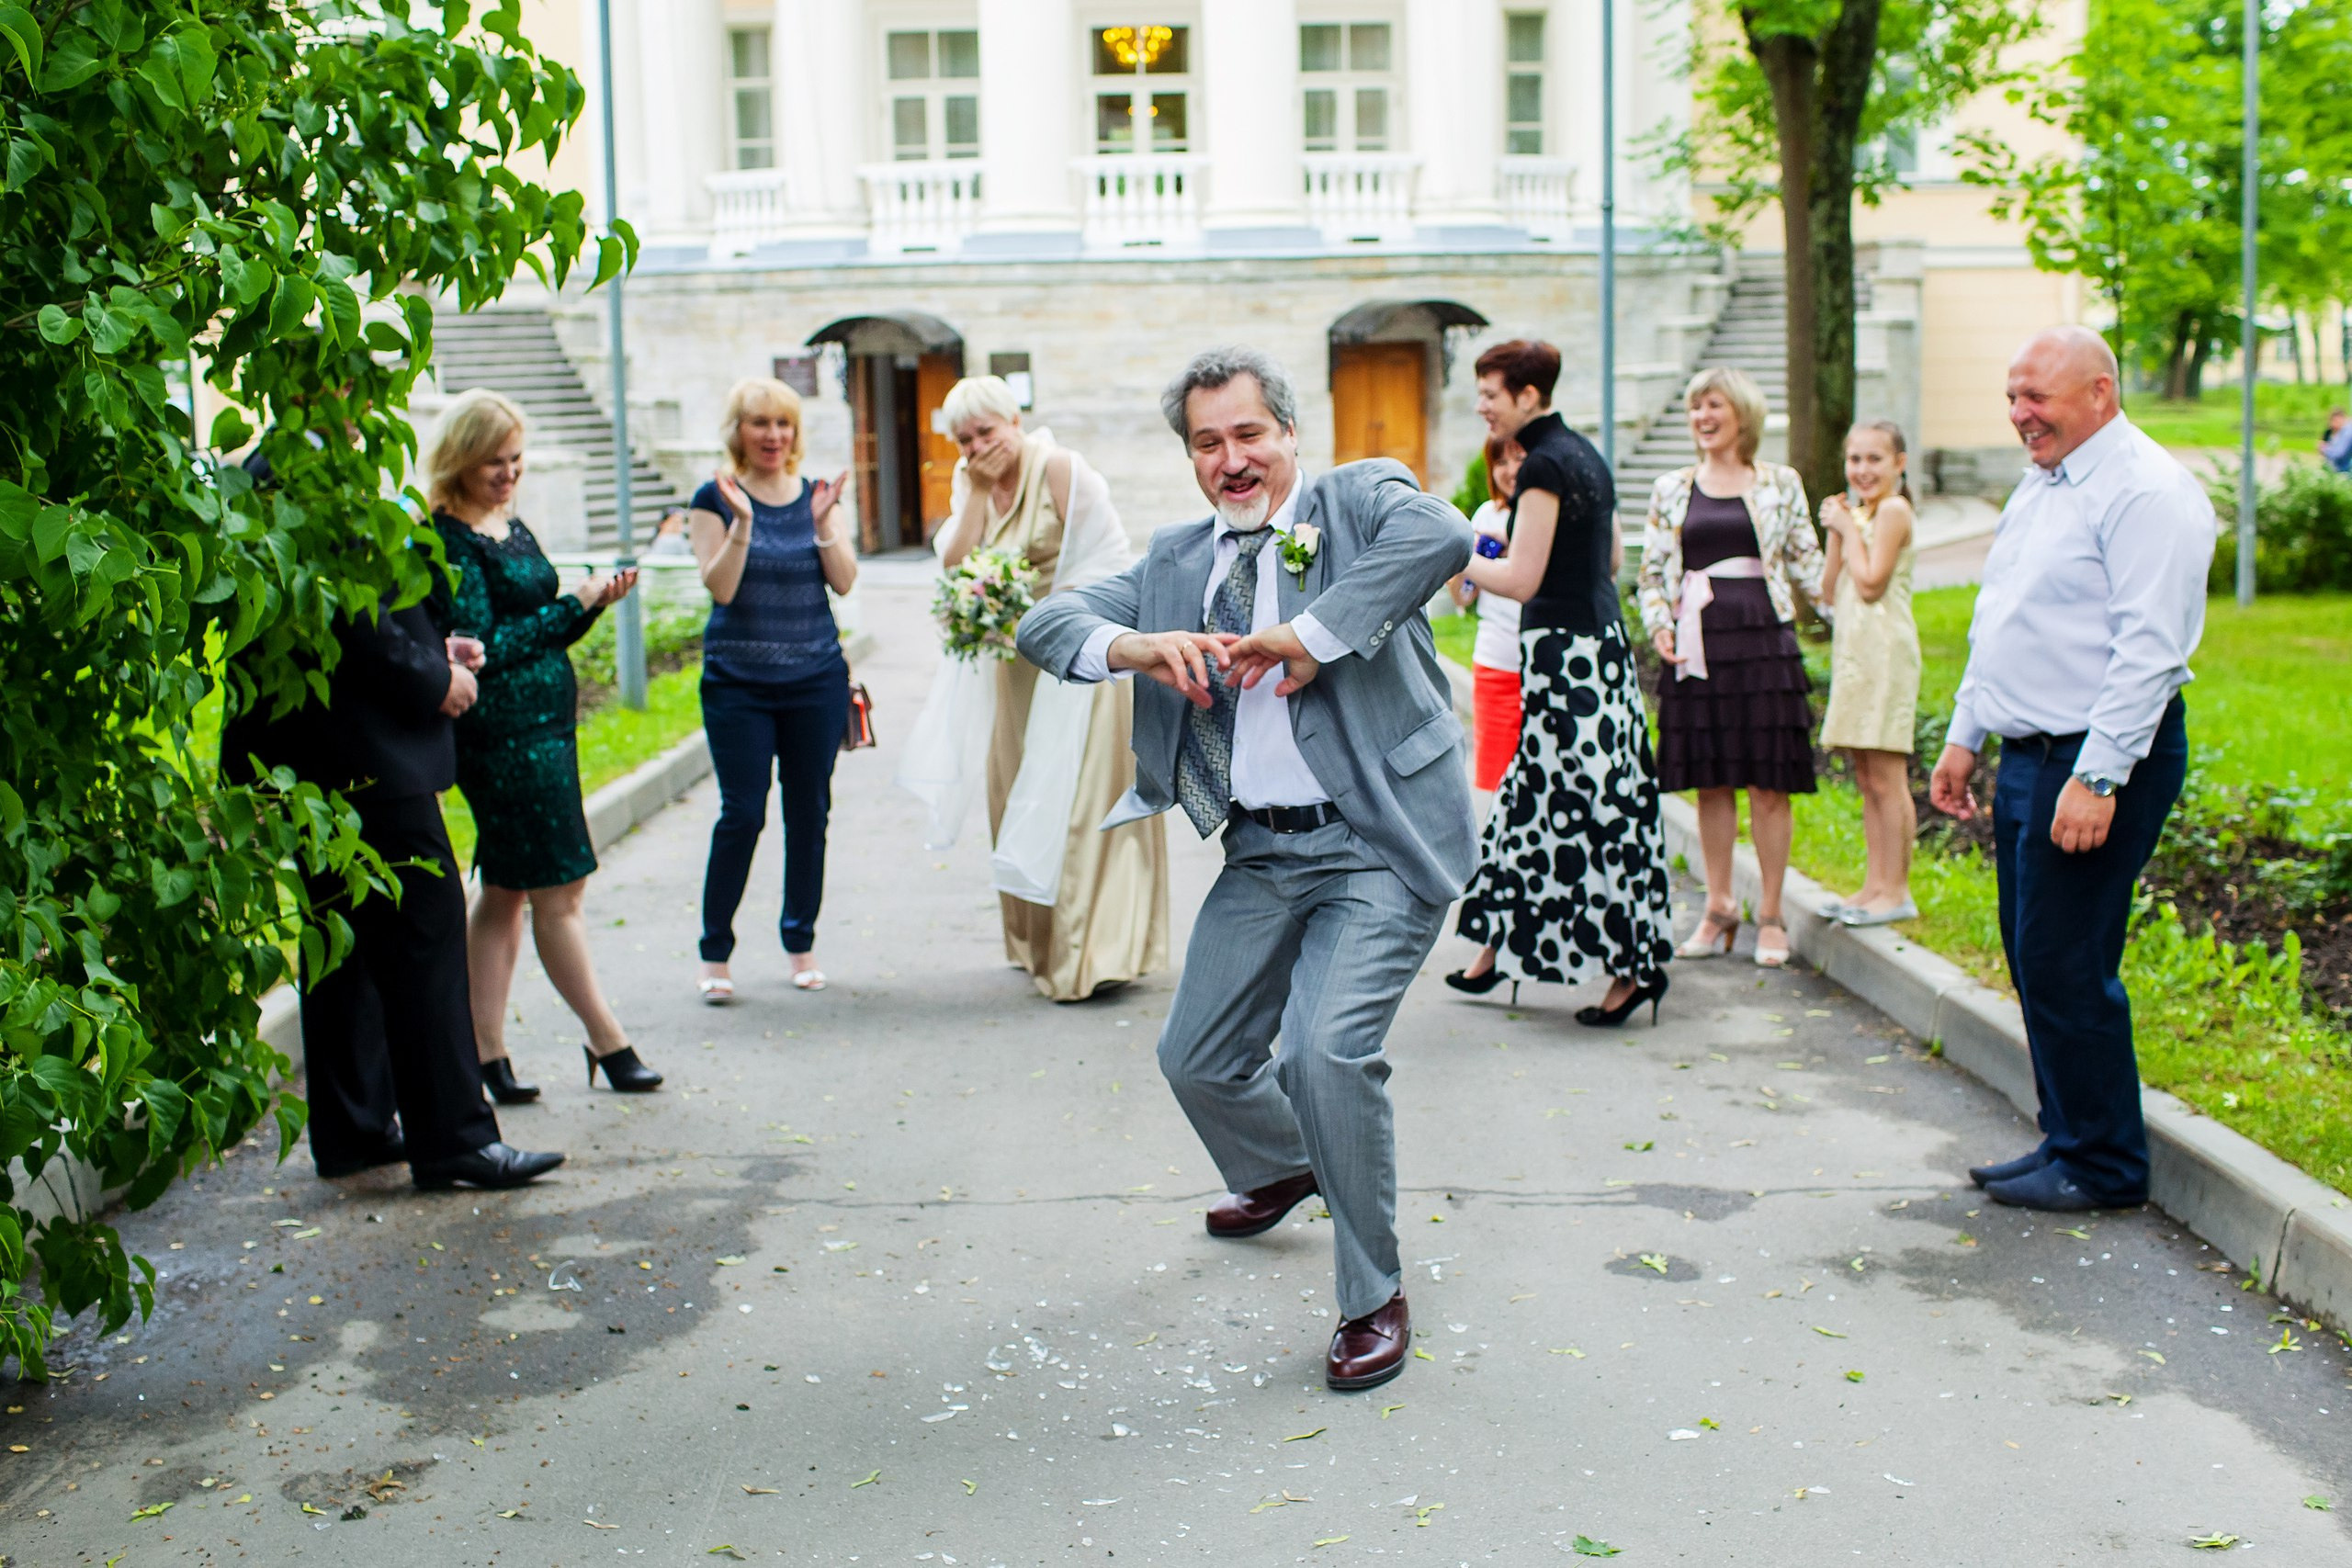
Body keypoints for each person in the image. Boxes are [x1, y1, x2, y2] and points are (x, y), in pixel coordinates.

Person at [1016, 347, 1473, 1393]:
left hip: (1375, 841)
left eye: (1248, 434)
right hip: (1261, 850)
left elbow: (1443, 534)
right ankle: (1289, 1163)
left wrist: (1308, 636)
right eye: (1207, 442)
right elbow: (1045, 623)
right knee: (1196, 1057)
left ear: (1288, 434)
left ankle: (1373, 1295)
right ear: (1189, 456)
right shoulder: (1177, 561)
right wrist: (1134, 648)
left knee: (1322, 1056)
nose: (1232, 459)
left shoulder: (1356, 502)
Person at [220, 457, 564, 1190]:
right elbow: (351, 618)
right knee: (425, 932)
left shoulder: (263, 471)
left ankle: (355, 1127)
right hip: (363, 751)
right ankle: (454, 1140)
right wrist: (434, 678)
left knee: (342, 940)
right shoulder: (306, 475)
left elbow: (341, 621)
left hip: (315, 753)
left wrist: (430, 651)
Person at [1932, 326, 2212, 1213]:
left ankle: (2105, 1164)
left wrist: (2099, 778)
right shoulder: (2044, 484)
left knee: (2067, 959)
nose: (2020, 415)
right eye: (2013, 397)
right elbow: (2001, 615)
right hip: (2030, 753)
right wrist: (1964, 734)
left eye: (2038, 398)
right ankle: (2068, 1136)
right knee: (2032, 953)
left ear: (2100, 392)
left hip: (2096, 758)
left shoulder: (2147, 492)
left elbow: (2149, 652)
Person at [424, 389, 662, 1100]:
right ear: (460, 459)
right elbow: (485, 649)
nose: (508, 473)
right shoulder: (450, 537)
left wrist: (590, 608)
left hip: (549, 729)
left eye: (517, 459)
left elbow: (540, 627)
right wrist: (575, 603)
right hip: (501, 737)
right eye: (493, 461)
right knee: (559, 886)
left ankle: (487, 1053)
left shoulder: (507, 522)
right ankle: (608, 1041)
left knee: (507, 890)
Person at [1448, 340, 1673, 1025]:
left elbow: (1519, 579)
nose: (1481, 406)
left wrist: (1452, 550)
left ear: (1527, 395)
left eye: (1490, 394)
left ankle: (1634, 970)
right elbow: (1609, 558)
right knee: (1533, 802)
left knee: (1589, 808)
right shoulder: (1584, 453)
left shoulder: (1545, 465)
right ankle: (1493, 951)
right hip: (1596, 652)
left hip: (1564, 657)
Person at [930, 375, 1170, 1000]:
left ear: (1014, 418)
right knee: (1018, 791)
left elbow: (1111, 563)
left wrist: (1055, 615)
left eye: (987, 430)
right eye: (965, 439)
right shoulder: (972, 480)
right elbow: (954, 561)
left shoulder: (1062, 468)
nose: (979, 445)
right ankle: (1036, 940)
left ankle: (1091, 953)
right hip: (1011, 666)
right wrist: (978, 493)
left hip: (1081, 654)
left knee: (1082, 800)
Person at [1636, 366, 1826, 969]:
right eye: (1695, 408)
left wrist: (1857, 607)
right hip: (1698, 642)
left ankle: (1770, 914)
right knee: (1711, 781)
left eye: (1713, 406)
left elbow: (1808, 563)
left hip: (1764, 637)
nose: (1702, 418)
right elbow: (1652, 571)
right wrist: (1660, 624)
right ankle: (1719, 907)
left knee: (1769, 782)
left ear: (1742, 413)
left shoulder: (1780, 482)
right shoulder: (1671, 487)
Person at [686, 377, 857, 1000]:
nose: (773, 435)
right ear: (739, 431)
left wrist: (821, 525)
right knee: (742, 811)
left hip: (815, 678)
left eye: (782, 423)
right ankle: (715, 951)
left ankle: (800, 940)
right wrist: (744, 525)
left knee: (808, 810)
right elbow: (721, 588)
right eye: (759, 423)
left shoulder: (818, 496)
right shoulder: (715, 496)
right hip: (738, 684)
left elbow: (843, 582)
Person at [1815, 420, 1922, 927]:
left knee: (1887, 773)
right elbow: (1829, 586)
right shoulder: (1861, 516)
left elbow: (1873, 582)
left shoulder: (1896, 511)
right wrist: (1840, 529)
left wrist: (1845, 529)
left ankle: (1897, 889)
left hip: (1885, 652)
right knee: (1865, 775)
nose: (1862, 469)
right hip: (1855, 653)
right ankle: (1874, 884)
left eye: (1874, 459)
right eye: (1854, 459)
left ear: (1899, 463)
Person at [1458, 432, 1525, 801]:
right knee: (1497, 783)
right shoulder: (1485, 514)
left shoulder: (1544, 513)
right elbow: (1463, 597)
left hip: (1543, 664)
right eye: (1500, 462)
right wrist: (1462, 557)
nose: (1510, 471)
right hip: (1496, 663)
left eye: (1519, 459)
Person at [2321, 408, 2352, 474]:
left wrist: (2324, 449)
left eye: (2333, 421)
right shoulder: (2342, 431)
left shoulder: (2347, 432)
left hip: (2344, 471)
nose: (2331, 424)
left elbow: (2338, 453)